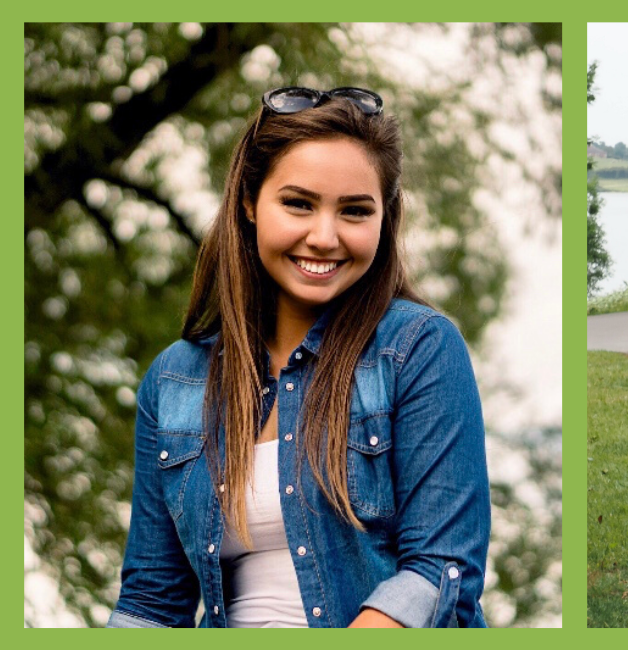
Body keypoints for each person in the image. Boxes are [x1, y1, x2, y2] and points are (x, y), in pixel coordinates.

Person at [107, 87, 490, 628]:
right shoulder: (174, 381)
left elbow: (438, 571)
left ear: (386, 218)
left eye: (355, 211)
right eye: (298, 203)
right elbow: (149, 604)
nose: (325, 236)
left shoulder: (418, 350)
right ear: (248, 202)